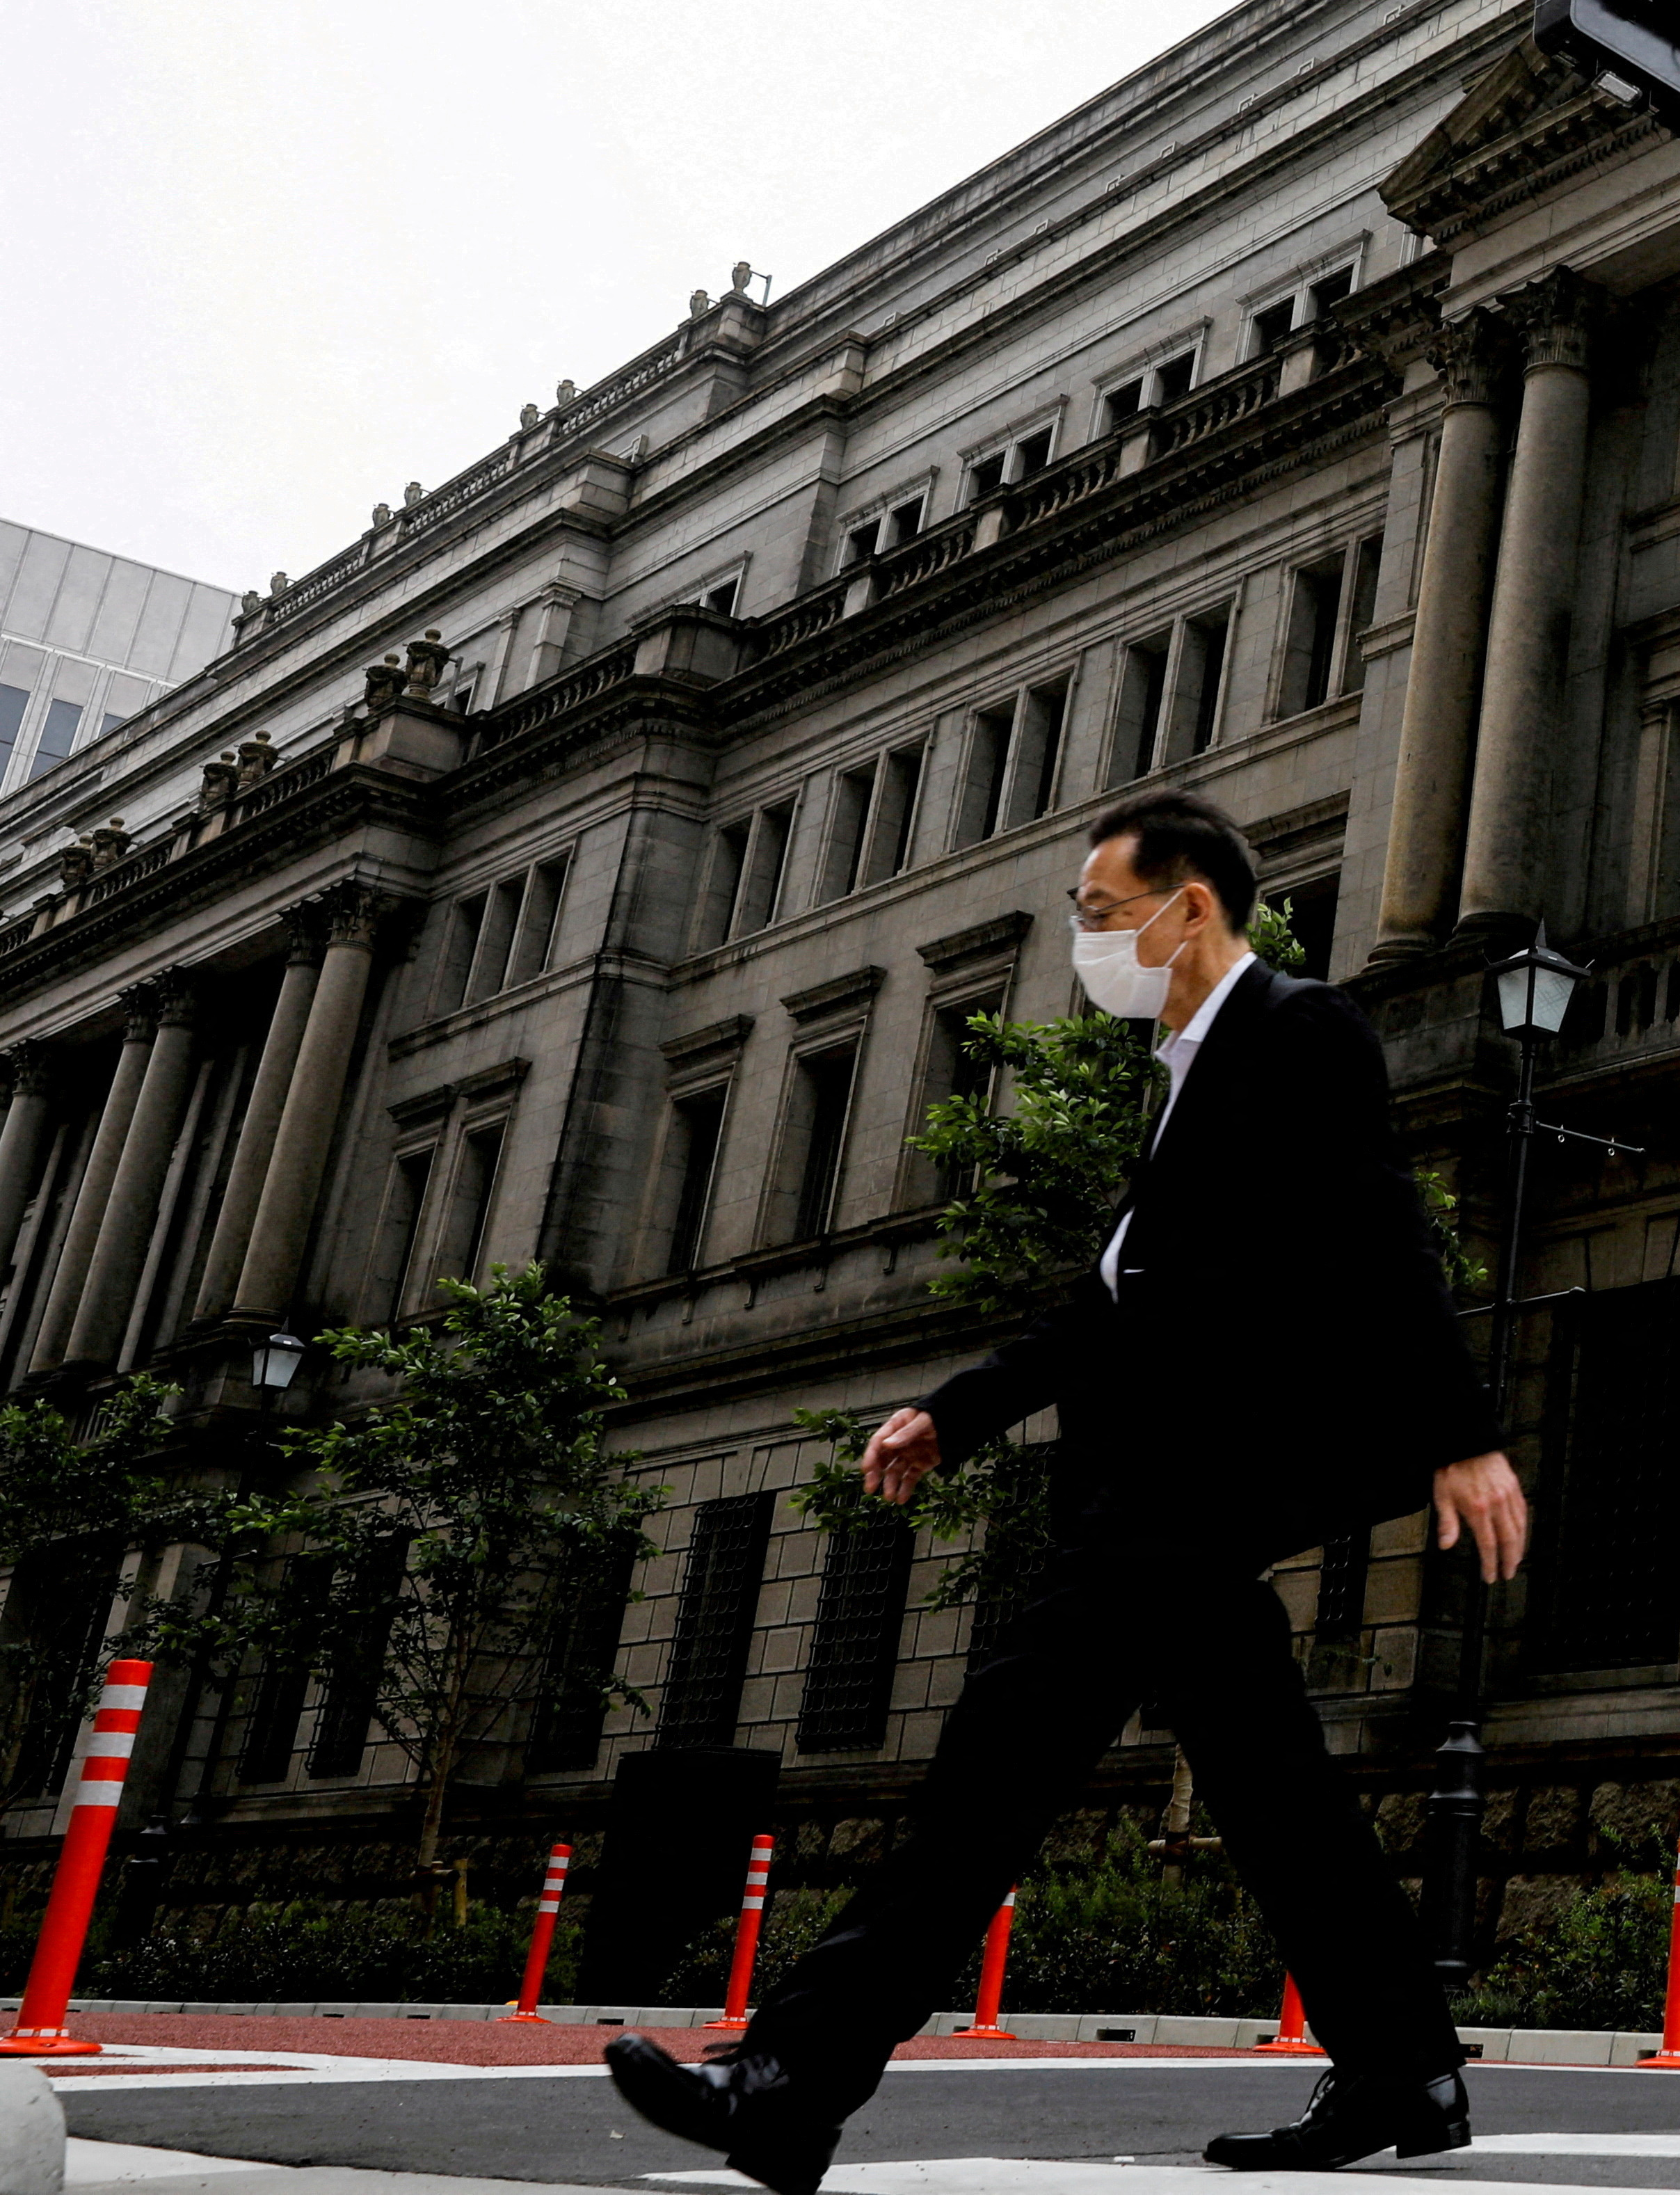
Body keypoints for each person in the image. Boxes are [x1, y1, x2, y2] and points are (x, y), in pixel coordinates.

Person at [607, 791, 1528, 2188]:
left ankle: (791, 2079)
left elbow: (1382, 1223)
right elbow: (1105, 1308)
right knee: (1276, 1793)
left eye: (1101, 914)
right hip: (1167, 1492)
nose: (1089, 941)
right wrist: (952, 1415)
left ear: (1190, 907)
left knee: (994, 1768)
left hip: (1187, 1488)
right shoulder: (1188, 1077)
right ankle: (1405, 2067)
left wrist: (1461, 1428)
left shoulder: (1297, 1031)